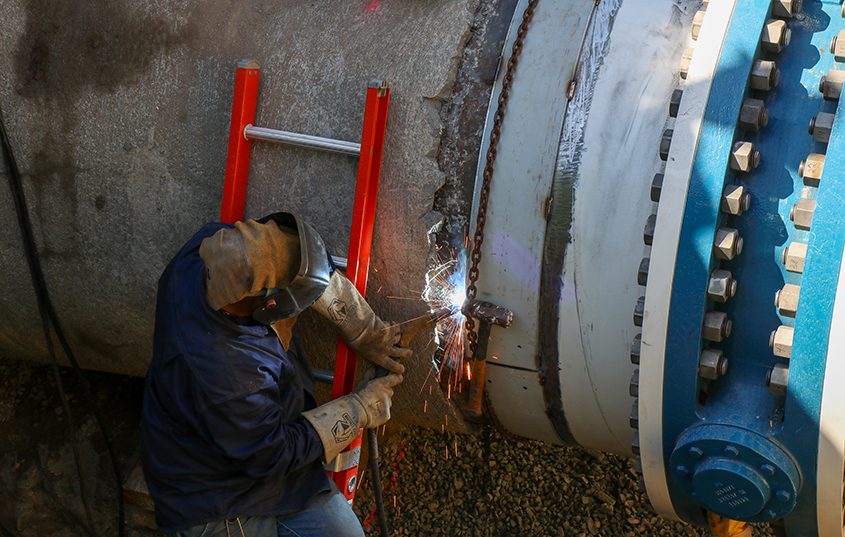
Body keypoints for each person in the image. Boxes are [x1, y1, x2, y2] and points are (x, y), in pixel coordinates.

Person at [140, 212, 411, 537]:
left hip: (255, 453)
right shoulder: (230, 373)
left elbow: (298, 262)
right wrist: (358, 410)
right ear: (267, 304)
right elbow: (272, 453)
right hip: (214, 498)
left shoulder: (212, 253)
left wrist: (365, 329)